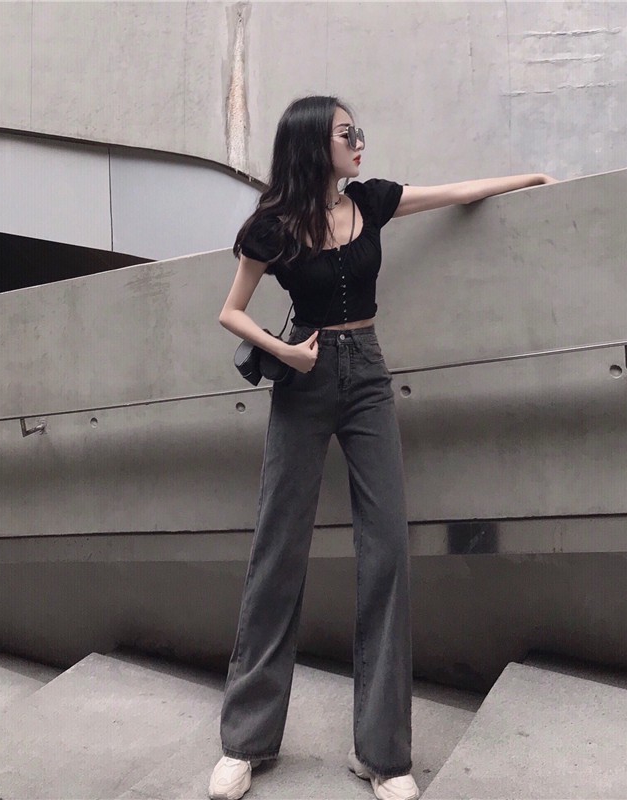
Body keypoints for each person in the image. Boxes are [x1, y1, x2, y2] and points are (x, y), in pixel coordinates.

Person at [210, 95, 557, 800]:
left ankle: (382, 753)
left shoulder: (370, 201)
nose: (359, 141)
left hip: (367, 374)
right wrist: (286, 351)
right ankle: (244, 741)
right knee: (279, 549)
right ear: (315, 144)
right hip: (304, 381)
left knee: (387, 549)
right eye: (347, 134)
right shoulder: (274, 227)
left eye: (357, 132)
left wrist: (528, 179)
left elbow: (454, 193)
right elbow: (230, 311)